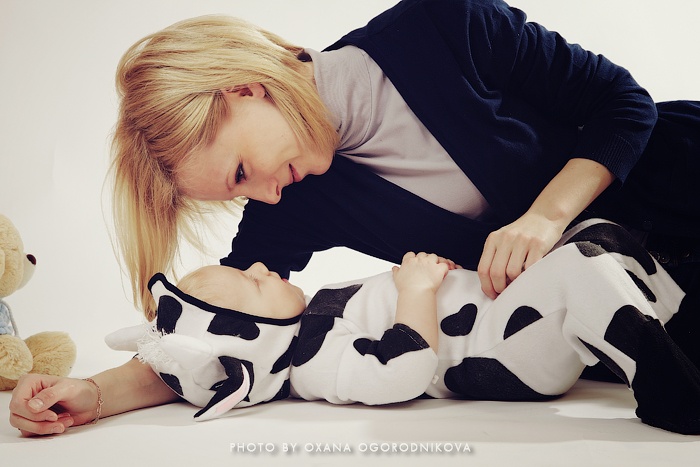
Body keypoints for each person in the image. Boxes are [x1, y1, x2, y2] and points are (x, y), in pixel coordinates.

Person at [108, 1, 700, 378]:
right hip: (648, 307)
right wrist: (97, 394)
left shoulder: (441, 25)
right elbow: (221, 323)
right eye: (239, 194)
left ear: (245, 89)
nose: (264, 197)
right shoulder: (297, 196)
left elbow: (623, 104)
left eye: (240, 173)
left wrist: (546, 218)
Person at [9, 219, 700, 435]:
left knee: (599, 236)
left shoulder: (311, 318)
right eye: (253, 282)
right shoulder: (313, 359)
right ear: (251, 333)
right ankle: (672, 388)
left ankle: (683, 338)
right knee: (582, 265)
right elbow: (401, 373)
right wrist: (417, 291)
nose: (260, 265)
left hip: (511, 316)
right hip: (506, 351)